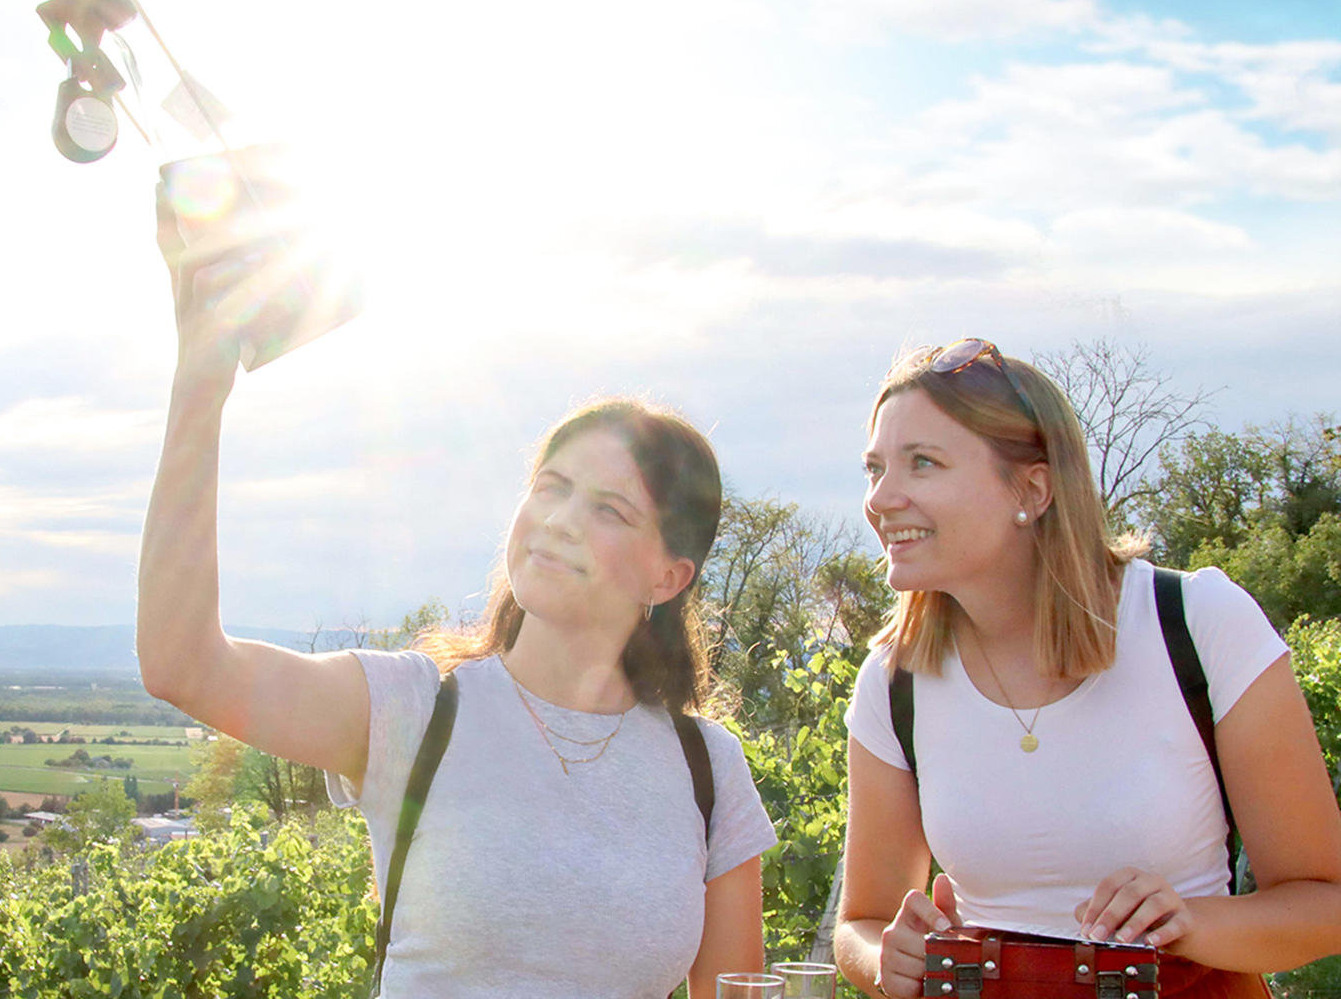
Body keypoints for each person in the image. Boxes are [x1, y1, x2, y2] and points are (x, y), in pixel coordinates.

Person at [136, 200, 776, 996]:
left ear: (668, 577)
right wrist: (200, 383)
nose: (560, 521)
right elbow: (181, 663)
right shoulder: (413, 709)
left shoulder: (707, 769)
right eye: (552, 487)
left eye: (608, 510)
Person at [834, 339, 1341, 999]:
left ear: (1033, 487)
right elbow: (861, 923)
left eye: (921, 464)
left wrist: (1191, 923)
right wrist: (884, 961)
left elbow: (1325, 902)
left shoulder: (1197, 623)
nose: (880, 499)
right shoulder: (893, 681)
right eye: (874, 470)